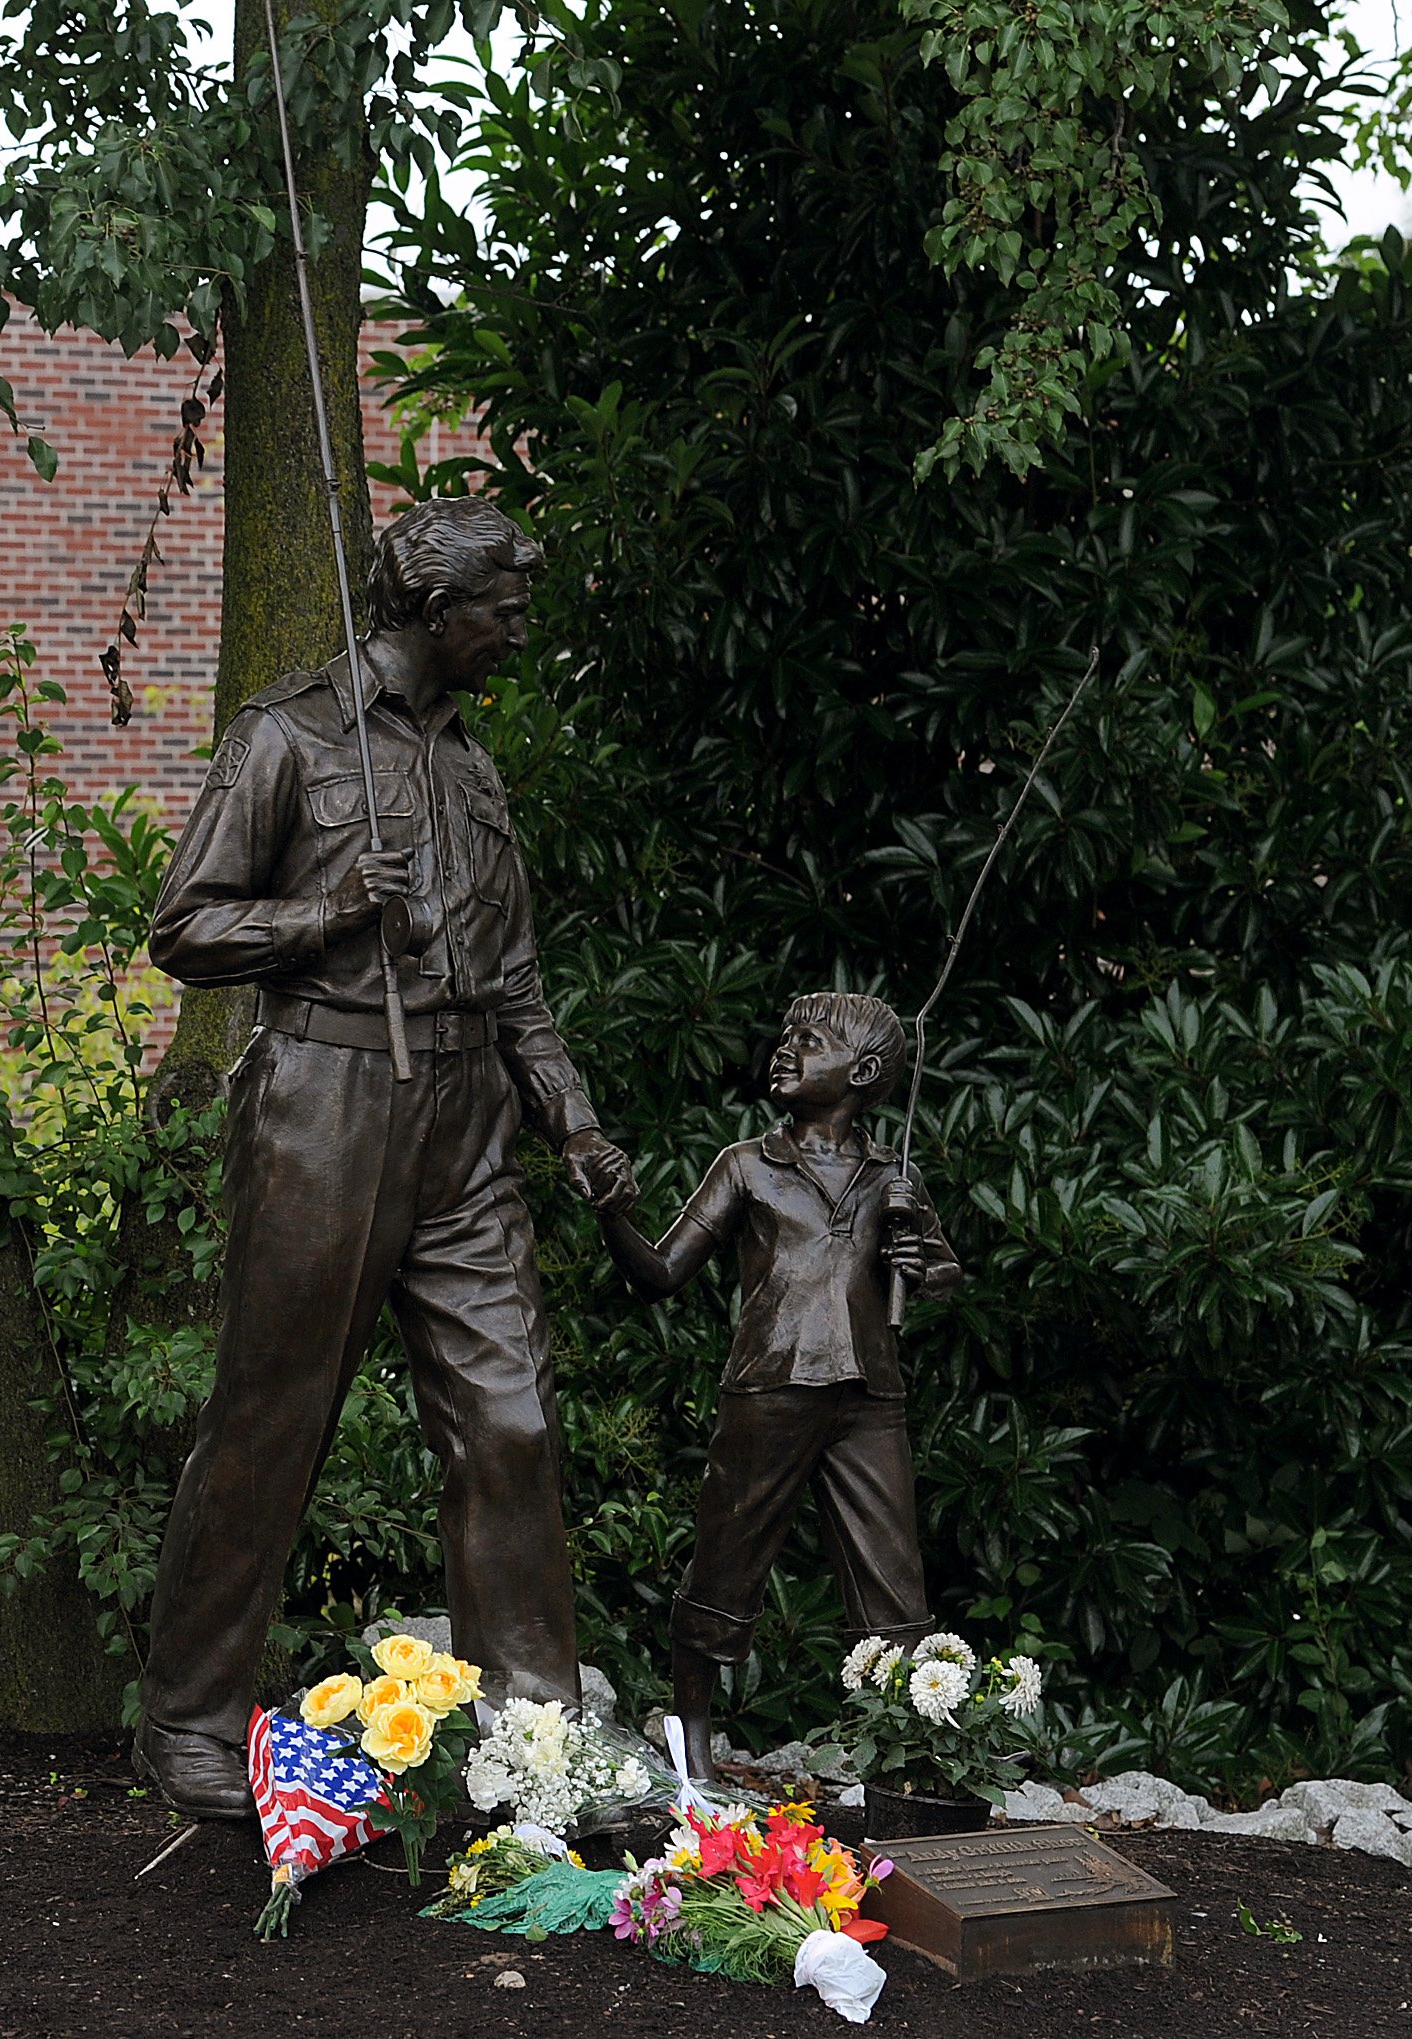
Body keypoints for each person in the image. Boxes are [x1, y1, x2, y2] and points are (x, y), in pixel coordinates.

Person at [130, 496, 635, 1821]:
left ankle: (535, 1745)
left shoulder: (472, 766)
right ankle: (186, 1714)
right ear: (428, 608)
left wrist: (569, 1114)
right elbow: (183, 922)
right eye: (503, 611)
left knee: (511, 1418)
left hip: (466, 1110)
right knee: (271, 1418)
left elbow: (513, 972)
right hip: (327, 1093)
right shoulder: (289, 733)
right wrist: (326, 912)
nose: (517, 633)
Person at [596, 990, 962, 1780]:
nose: (786, 1046)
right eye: (787, 1030)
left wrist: (921, 1266)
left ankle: (908, 1766)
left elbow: (942, 1269)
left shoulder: (892, 1177)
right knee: (726, 1563)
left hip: (870, 1396)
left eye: (810, 1038)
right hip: (771, 1386)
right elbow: (660, 1273)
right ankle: (692, 1738)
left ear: (863, 1071)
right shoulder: (747, 1165)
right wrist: (612, 1217)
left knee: (893, 1586)